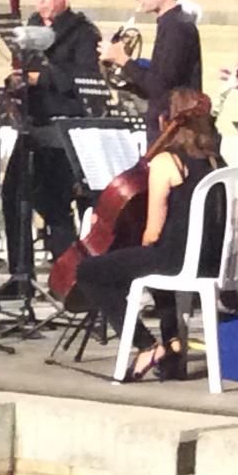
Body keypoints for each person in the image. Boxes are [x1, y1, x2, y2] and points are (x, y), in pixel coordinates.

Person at [76, 88, 223, 381]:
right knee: (152, 268)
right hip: (214, 260)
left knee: (90, 271)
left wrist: (134, 243)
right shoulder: (217, 161)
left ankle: (146, 345)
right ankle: (173, 346)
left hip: (177, 260)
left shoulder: (167, 162)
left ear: (165, 120)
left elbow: (154, 232)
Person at [0, 0, 100, 297]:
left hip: (63, 131)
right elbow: (22, 73)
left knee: (54, 206)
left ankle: (68, 280)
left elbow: (84, 81)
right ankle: (20, 277)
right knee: (13, 195)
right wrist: (15, 84)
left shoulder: (83, 33)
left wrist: (39, 78)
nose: (41, 1)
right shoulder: (28, 29)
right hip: (33, 126)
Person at [100, 0, 203, 144]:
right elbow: (160, 82)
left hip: (175, 137)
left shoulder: (176, 26)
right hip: (168, 133)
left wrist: (124, 60)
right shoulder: (170, 23)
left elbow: (160, 87)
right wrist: (124, 77)